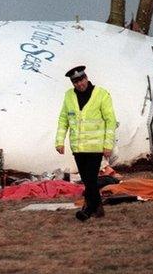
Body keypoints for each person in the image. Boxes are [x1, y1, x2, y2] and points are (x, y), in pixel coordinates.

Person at [55, 65, 117, 221]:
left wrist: (108, 145)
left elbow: (110, 121)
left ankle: (88, 210)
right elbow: (64, 119)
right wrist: (59, 141)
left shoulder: (101, 94)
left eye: (81, 80)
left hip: (95, 147)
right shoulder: (69, 96)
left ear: (86, 78)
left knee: (90, 180)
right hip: (78, 147)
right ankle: (98, 209)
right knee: (88, 181)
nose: (79, 84)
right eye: (75, 82)